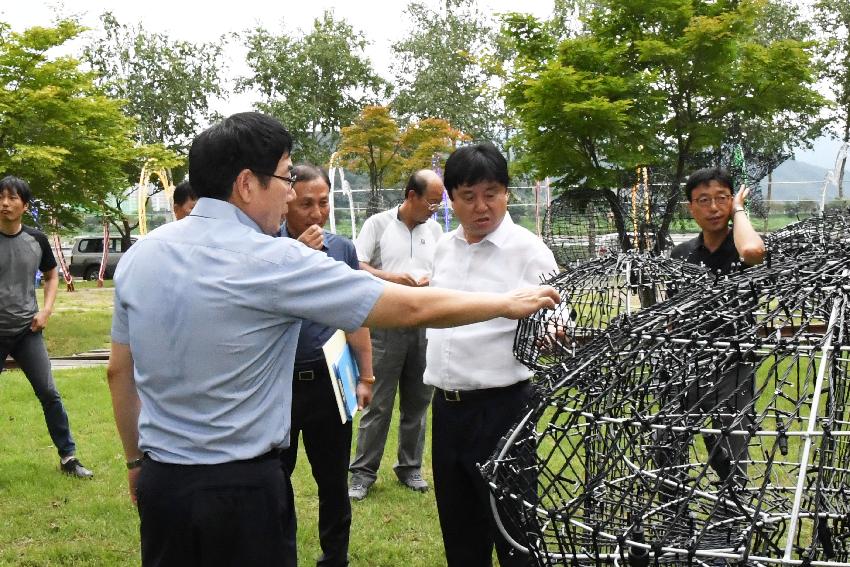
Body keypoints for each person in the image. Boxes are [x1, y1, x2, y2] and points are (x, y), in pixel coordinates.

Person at [106, 111, 559, 567]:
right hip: (240, 491)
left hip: (161, 483)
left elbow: (118, 372)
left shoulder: (140, 256)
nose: (289, 194)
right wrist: (505, 303)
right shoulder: (275, 260)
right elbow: (412, 307)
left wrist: (134, 464)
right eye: (285, 179)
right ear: (247, 184)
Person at [423, 143, 558, 567]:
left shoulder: (527, 249)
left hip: (502, 411)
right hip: (447, 410)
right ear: (451, 198)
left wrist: (554, 331)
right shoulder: (444, 247)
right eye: (468, 196)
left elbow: (558, 312)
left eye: (492, 193)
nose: (482, 207)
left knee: (515, 530)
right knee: (460, 530)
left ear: (506, 193)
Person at [279, 163, 373, 567]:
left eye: (323, 203)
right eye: (305, 204)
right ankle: (278, 554)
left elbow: (356, 315)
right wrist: (298, 254)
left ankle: (335, 557)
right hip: (278, 385)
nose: (316, 214)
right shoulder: (268, 248)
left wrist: (366, 374)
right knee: (274, 479)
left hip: (327, 382)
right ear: (285, 202)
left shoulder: (342, 249)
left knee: (332, 480)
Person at [663, 166, 765, 486]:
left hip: (734, 367)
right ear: (691, 207)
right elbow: (671, 313)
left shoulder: (744, 249)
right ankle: (674, 518)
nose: (713, 208)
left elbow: (753, 251)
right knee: (668, 449)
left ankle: (732, 523)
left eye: (722, 198)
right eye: (703, 200)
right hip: (686, 365)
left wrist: (739, 210)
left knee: (731, 456)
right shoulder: (680, 255)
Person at [348, 169, 445, 500]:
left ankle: (410, 466)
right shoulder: (378, 224)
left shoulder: (434, 230)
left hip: (424, 325)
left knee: (418, 401)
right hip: (385, 325)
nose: (434, 208)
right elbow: (358, 266)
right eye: (430, 202)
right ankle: (362, 473)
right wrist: (394, 279)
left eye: (438, 202)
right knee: (378, 402)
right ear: (411, 195)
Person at [0, 175, 93, 479]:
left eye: (12, 198)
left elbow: (52, 275)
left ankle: (69, 458)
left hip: (28, 330)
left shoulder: (36, 240)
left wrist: (47, 311)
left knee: (49, 393)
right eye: (1, 197)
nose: (4, 203)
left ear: (24, 205)